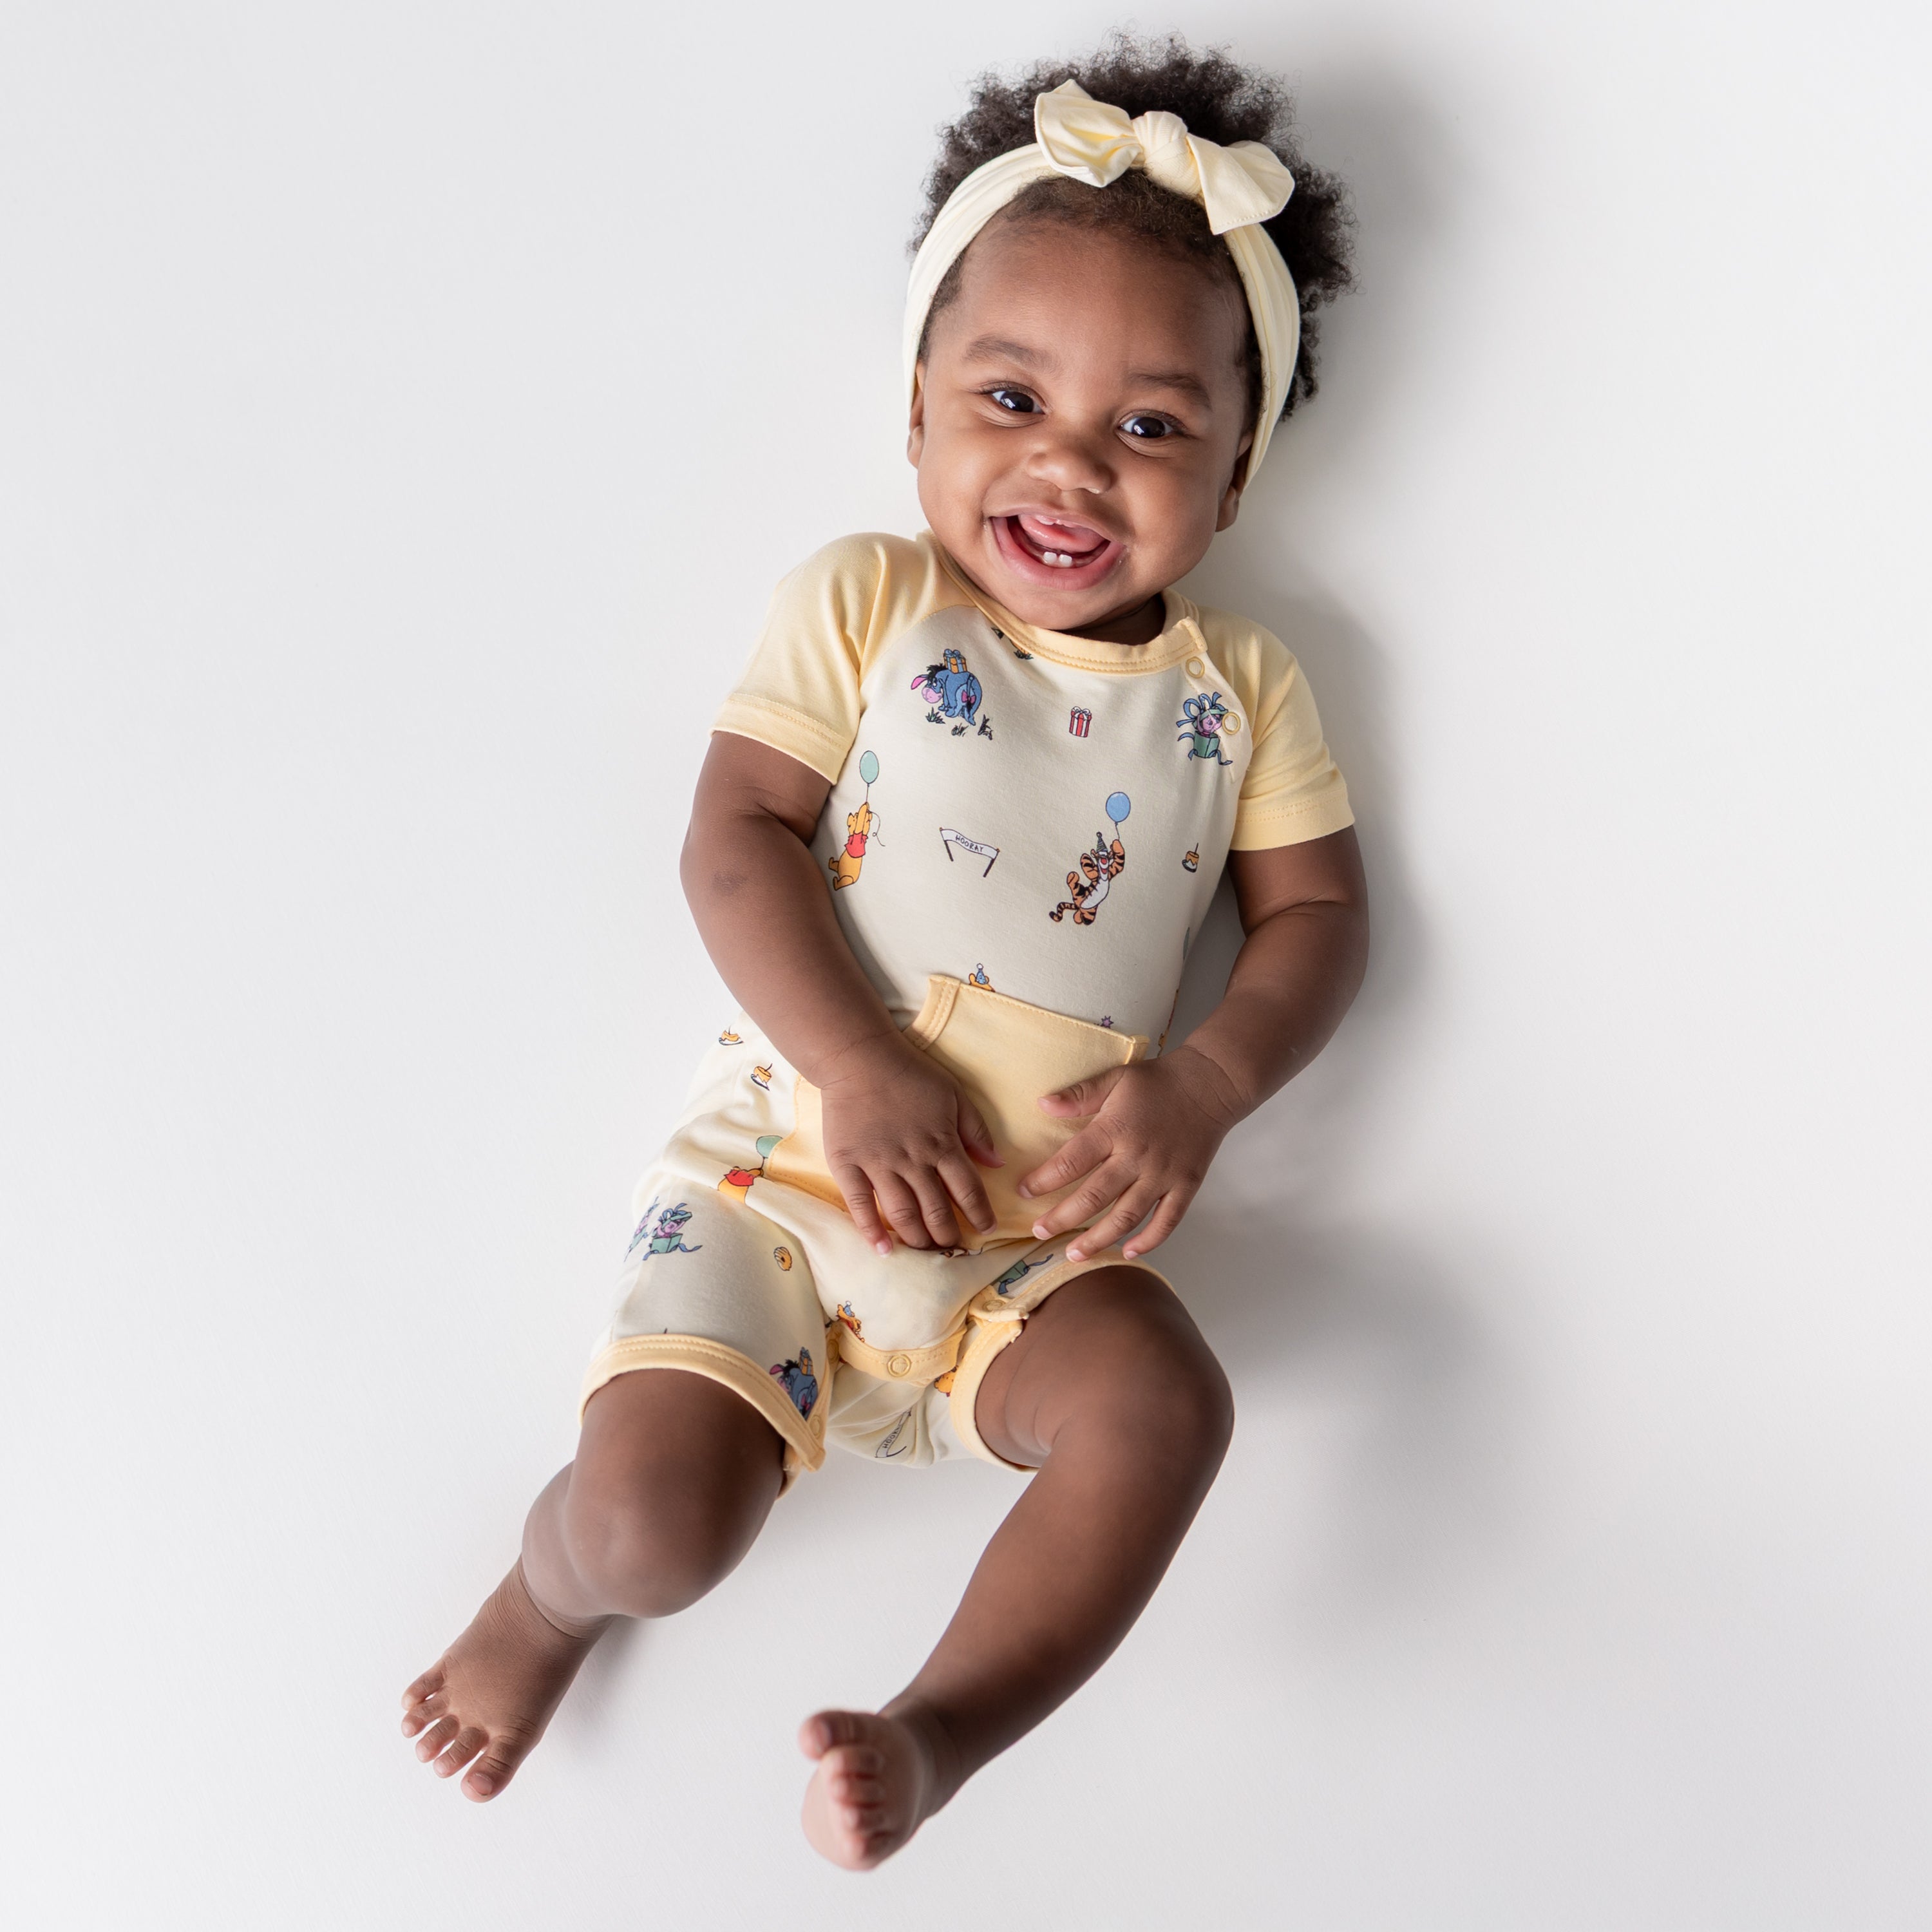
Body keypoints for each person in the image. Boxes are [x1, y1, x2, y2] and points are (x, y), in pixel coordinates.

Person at [401, 34, 1368, 1870]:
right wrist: (856, 1064)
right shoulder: (867, 598)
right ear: (917, 410)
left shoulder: (1235, 693)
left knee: (1168, 1404)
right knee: (655, 1529)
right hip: (788, 1173)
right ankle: (545, 1600)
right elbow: (735, 838)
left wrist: (1209, 1085)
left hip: (1031, 1241)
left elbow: (1318, 914)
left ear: (1235, 481)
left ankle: (939, 1729)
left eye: (1153, 425)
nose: (1070, 462)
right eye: (1010, 398)